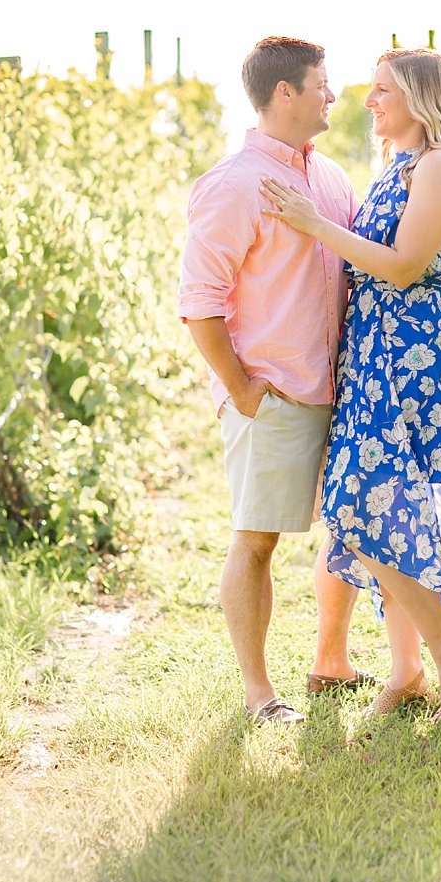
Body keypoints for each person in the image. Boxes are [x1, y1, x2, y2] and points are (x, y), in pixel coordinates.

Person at [260, 47, 441, 721]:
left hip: (415, 366)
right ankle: (432, 664)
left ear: (417, 96)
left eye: (381, 90)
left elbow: (406, 265)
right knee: (369, 512)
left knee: (362, 504)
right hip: (373, 364)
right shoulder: (395, 169)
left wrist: (314, 225)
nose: (368, 101)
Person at [178, 36, 387, 726]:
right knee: (258, 540)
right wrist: (240, 389)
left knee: (351, 525)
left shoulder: (331, 181)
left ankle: (334, 660)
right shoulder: (233, 184)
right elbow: (200, 302)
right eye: (321, 83)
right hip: (272, 394)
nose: (333, 95)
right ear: (285, 94)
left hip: (339, 388)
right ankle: (260, 695)